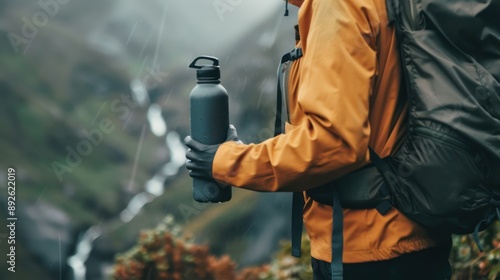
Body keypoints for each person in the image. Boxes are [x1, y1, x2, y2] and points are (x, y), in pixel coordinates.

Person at [185, 0, 452, 279]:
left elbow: (333, 142)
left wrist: (226, 161)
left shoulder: (337, 6)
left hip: (370, 248)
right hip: (402, 233)